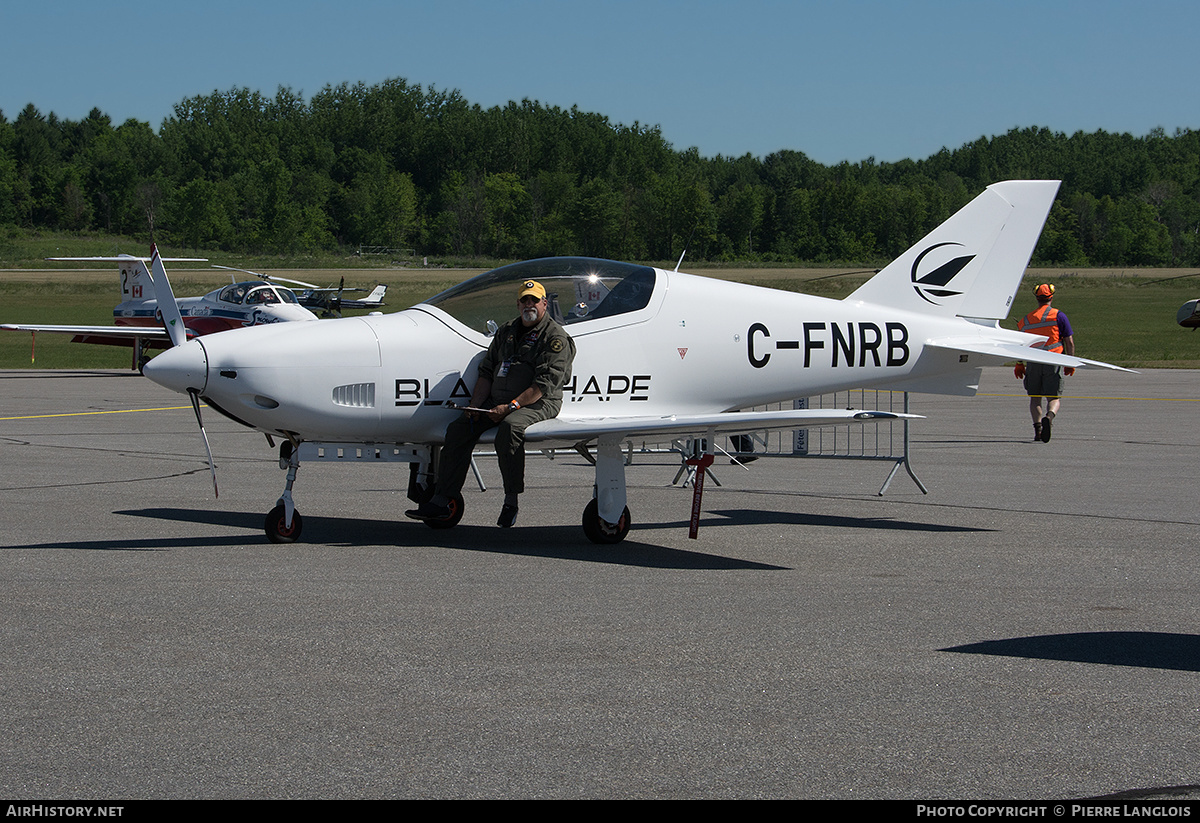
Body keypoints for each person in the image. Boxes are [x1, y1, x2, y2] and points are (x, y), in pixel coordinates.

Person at [407, 279, 576, 528]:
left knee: (510, 428)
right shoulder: (506, 332)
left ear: (544, 304)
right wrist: (475, 408)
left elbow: (544, 384)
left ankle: (511, 501)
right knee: (459, 429)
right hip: (498, 401)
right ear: (518, 304)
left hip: (539, 402)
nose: (529, 304)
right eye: (524, 300)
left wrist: (511, 407)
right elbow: (486, 372)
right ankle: (442, 499)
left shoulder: (555, 338)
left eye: (535, 300)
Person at [1014, 283, 1075, 442]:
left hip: (1033, 362)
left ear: (1036, 298)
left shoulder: (1026, 320)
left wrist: (1019, 363)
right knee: (1053, 397)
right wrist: (1070, 361)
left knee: (1035, 398)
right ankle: (1049, 416)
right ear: (1051, 297)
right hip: (1053, 361)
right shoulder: (1059, 316)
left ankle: (1038, 430)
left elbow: (1020, 344)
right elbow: (1069, 342)